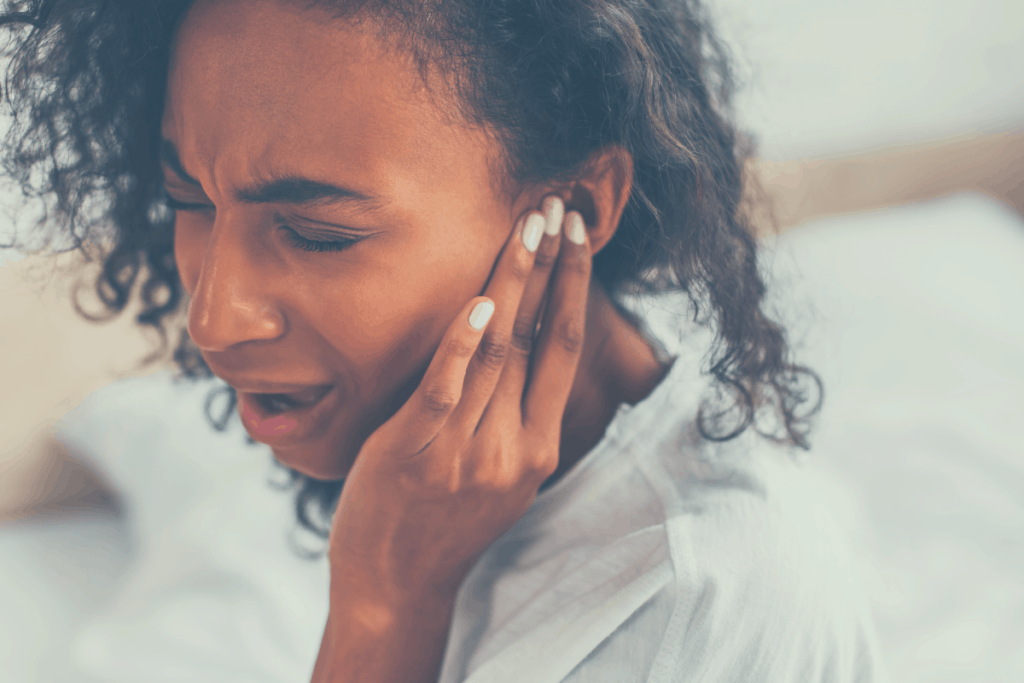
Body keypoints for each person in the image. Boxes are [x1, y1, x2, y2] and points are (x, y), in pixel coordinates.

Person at [0, 0, 888, 681]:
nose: (215, 318)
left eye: (318, 232)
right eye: (190, 201)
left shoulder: (683, 602)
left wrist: (383, 611)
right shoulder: (432, 467)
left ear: (571, 214)